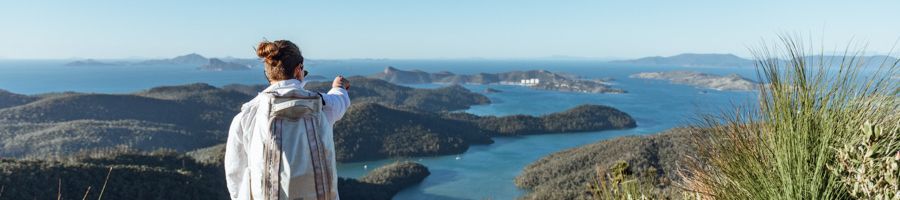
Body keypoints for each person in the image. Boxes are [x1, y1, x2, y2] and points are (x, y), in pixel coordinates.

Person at [225, 40, 351, 200]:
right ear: (298, 69)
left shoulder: (246, 117)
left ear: (268, 73)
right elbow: (340, 100)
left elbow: (235, 175)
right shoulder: (321, 106)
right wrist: (339, 86)